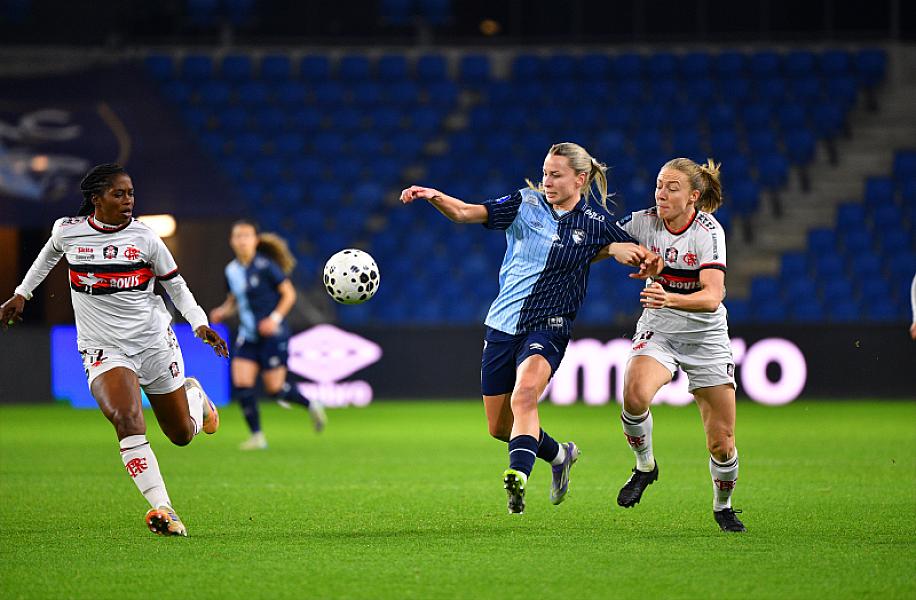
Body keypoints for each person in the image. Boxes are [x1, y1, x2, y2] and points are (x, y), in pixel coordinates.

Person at [400, 142, 661, 514]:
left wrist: (630, 255)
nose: (547, 181)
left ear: (580, 179)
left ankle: (518, 476)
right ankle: (560, 455)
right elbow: (464, 212)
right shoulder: (525, 203)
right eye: (545, 174)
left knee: (524, 397)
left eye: (556, 175)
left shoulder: (597, 223)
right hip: (502, 325)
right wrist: (434, 196)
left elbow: (647, 259)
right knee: (499, 427)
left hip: (549, 327)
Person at [0, 163, 229, 537]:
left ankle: (194, 396)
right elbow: (45, 259)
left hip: (153, 343)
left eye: (131, 194)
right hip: (103, 347)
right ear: (96, 198)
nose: (128, 200)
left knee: (181, 435)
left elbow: (177, 286)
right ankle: (164, 508)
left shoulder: (146, 239)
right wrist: (21, 294)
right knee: (126, 418)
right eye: (118, 194)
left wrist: (199, 323)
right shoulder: (68, 232)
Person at [611, 157, 746, 532]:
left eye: (672, 188)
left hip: (705, 336)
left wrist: (668, 296)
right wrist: (621, 250)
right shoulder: (644, 221)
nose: (661, 194)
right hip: (661, 328)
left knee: (722, 443)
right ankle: (645, 467)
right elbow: (597, 241)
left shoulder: (708, 232)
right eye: (659, 185)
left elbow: (712, 297)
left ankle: (723, 506)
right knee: (634, 394)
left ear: (693, 197)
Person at [210, 220, 326, 450]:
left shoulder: (266, 266)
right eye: (238, 236)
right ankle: (257, 436)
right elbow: (235, 299)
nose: (242, 240)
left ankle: (310, 404)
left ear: (255, 240)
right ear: (232, 241)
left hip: (273, 335)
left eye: (246, 236)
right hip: (248, 335)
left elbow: (289, 294)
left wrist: (274, 319)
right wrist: (223, 311)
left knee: (275, 389)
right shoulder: (231, 270)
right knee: (242, 383)